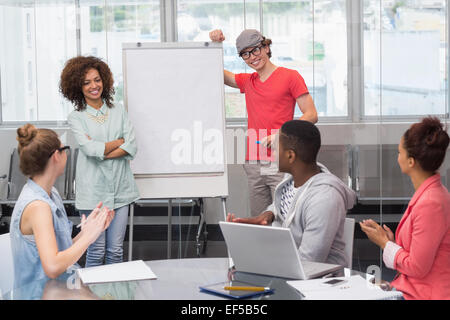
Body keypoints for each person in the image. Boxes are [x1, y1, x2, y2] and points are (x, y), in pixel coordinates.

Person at [210, 29, 318, 217]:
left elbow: (311, 114)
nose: (252, 57)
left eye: (255, 50)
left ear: (266, 47)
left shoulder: (290, 77)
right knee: (260, 219)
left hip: (281, 160)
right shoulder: (248, 81)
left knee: (286, 217)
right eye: (245, 54)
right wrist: (215, 45)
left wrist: (281, 135)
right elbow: (217, 73)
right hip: (254, 162)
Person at [228, 120, 356, 266]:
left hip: (317, 281)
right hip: (286, 267)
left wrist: (264, 265)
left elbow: (309, 263)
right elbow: (286, 206)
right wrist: (269, 214)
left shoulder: (325, 199)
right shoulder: (290, 180)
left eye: (276, 148)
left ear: (290, 156)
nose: (272, 153)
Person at [9, 124, 115, 290]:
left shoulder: (51, 194)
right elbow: (53, 267)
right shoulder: (38, 206)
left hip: (61, 289)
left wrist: (88, 232)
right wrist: (88, 237)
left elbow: (61, 251)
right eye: (64, 149)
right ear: (56, 156)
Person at [60, 56, 139, 267]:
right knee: (96, 250)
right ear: (77, 86)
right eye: (86, 82)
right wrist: (118, 142)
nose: (94, 86)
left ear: (104, 80)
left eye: (97, 80)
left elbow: (131, 145)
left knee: (115, 251)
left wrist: (102, 149)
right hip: (92, 193)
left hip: (121, 190)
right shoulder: (76, 117)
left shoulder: (118, 110)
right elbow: (89, 149)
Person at [360, 117, 450, 300]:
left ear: (410, 162)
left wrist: (385, 244)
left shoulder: (431, 203)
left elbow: (417, 267)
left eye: (399, 152)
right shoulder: (430, 195)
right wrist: (391, 242)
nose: (397, 157)